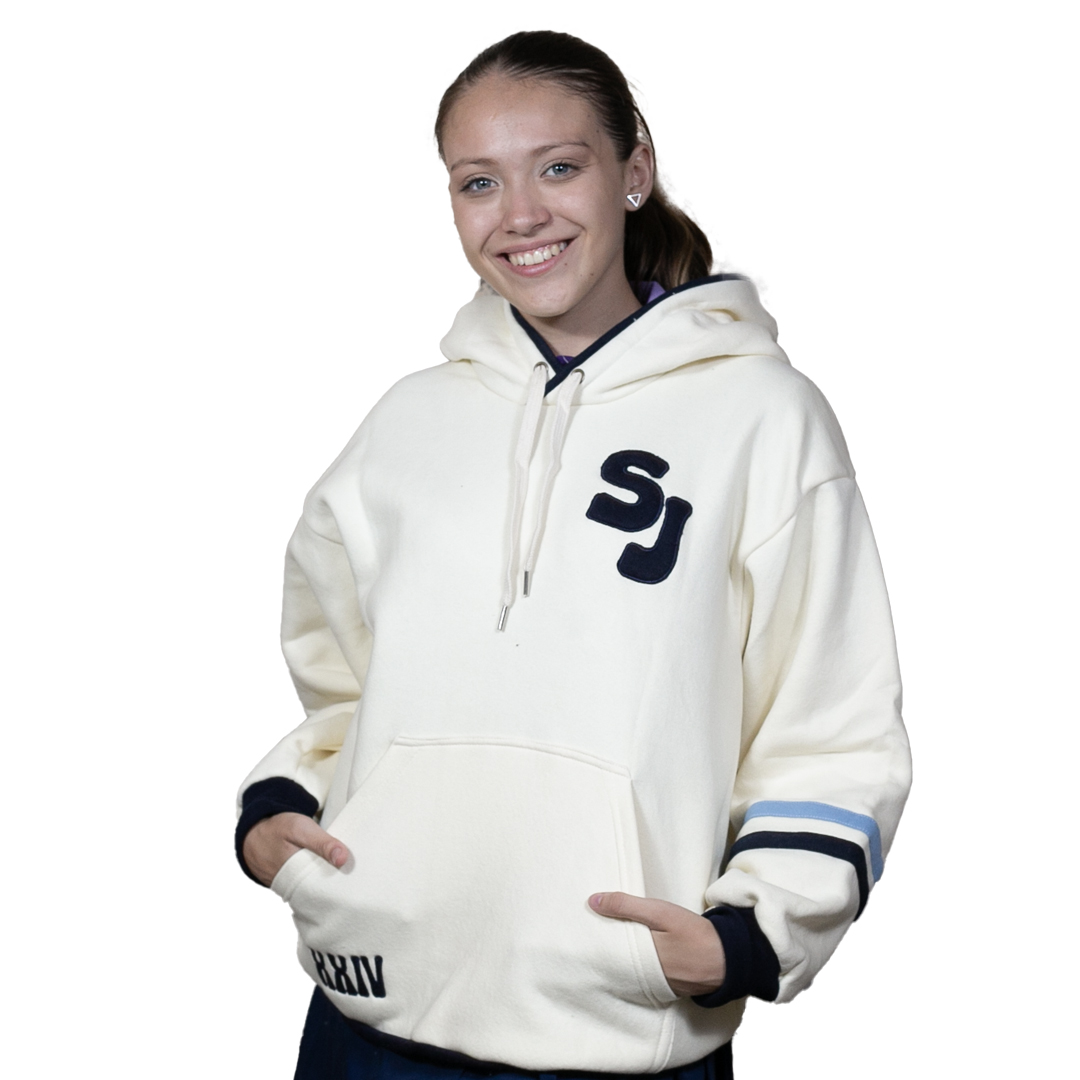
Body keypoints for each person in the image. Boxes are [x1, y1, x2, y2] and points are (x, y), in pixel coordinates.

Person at [235, 30, 911, 1080]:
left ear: (633, 170)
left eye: (558, 167)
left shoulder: (763, 419)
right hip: (366, 1022)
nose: (520, 215)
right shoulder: (406, 423)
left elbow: (831, 718)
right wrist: (280, 809)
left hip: (618, 1035)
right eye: (478, 182)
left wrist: (752, 932)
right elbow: (345, 686)